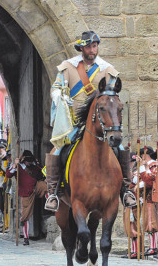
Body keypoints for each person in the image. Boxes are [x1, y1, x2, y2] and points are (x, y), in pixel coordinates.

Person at [45, 31, 136, 212]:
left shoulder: (107, 69)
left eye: (94, 46)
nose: (92, 50)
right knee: (57, 150)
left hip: (101, 122)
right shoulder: (68, 67)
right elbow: (56, 88)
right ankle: (53, 192)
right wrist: (60, 97)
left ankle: (126, 190)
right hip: (75, 121)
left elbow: (112, 95)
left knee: (120, 148)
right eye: (88, 46)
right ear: (82, 48)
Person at [6, 150, 46, 245]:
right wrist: (15, 165)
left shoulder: (34, 167)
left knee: (46, 186)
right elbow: (8, 174)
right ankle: (26, 238)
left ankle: (52, 202)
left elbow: (41, 175)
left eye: (30, 160)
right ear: (23, 160)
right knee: (25, 216)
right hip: (26, 193)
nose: (28, 162)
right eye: (27, 160)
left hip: (36, 188)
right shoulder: (18, 167)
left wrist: (36, 163)